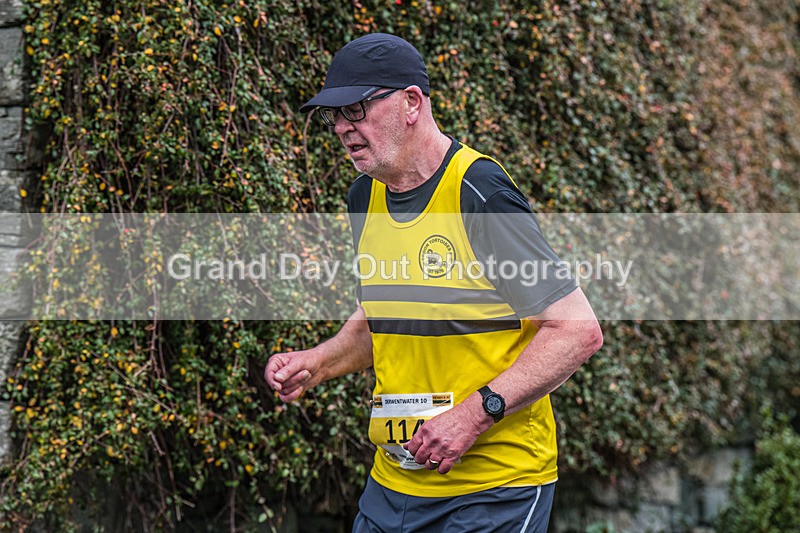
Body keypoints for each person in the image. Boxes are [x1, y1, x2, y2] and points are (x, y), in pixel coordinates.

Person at [265, 33, 603, 532]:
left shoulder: (478, 192)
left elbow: (576, 329)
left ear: (411, 102)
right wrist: (318, 362)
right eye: (333, 115)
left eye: (356, 109)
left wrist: (474, 415)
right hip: (394, 484)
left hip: (495, 490)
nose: (340, 127)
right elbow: (385, 319)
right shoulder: (364, 197)